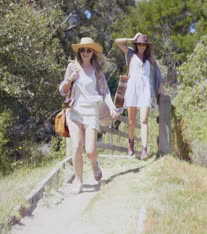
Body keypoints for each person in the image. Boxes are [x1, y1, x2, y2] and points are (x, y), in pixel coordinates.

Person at [59, 37, 118, 194]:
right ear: (79, 52)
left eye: (88, 50)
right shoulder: (72, 67)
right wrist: (69, 81)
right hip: (74, 110)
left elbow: (105, 91)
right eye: (83, 50)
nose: (85, 52)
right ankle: (79, 181)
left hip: (92, 110)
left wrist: (112, 107)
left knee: (90, 150)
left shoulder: (97, 71)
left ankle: (94, 164)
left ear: (93, 52)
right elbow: (62, 90)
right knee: (77, 146)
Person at [115, 33, 164, 160]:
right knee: (131, 121)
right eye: (139, 43)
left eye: (144, 44)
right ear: (136, 44)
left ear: (147, 46)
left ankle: (144, 149)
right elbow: (117, 42)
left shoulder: (150, 58)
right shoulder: (130, 53)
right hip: (132, 87)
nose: (141, 46)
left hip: (145, 89)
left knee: (144, 120)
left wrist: (160, 84)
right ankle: (130, 144)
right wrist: (131, 39)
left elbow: (157, 71)